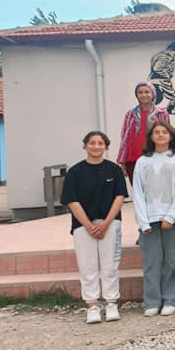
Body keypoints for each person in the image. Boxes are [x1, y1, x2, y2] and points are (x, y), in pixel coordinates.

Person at [61, 131, 128, 324]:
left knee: (110, 266)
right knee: (87, 266)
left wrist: (106, 223)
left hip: (111, 224)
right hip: (83, 226)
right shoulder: (75, 172)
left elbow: (120, 197)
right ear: (85, 146)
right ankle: (92, 306)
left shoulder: (114, 170)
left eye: (100, 143)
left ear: (106, 147)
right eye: (92, 143)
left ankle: (111, 303)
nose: (96, 146)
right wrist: (89, 225)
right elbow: (72, 201)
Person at [132, 122, 175, 317]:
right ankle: (152, 301)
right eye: (156, 132)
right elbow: (138, 192)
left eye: (164, 132)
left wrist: (171, 216)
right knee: (151, 263)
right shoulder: (142, 161)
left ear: (171, 135)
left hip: (173, 220)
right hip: (149, 220)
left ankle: (171, 300)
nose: (160, 135)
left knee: (172, 262)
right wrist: (143, 221)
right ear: (151, 137)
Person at [117, 81, 171, 184]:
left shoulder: (162, 113)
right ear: (137, 95)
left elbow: (167, 136)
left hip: (156, 157)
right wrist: (122, 161)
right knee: (138, 190)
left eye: (147, 92)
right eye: (140, 92)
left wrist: (168, 157)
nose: (143, 95)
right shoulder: (130, 114)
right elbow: (124, 138)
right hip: (133, 159)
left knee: (157, 188)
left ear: (153, 94)